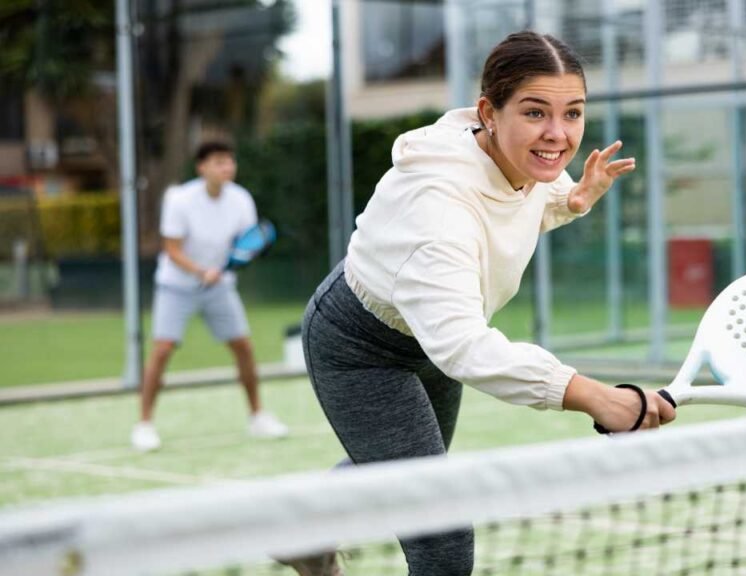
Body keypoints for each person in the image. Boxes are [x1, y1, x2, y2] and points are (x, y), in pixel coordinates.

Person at [294, 31, 676, 576]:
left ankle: (301, 532)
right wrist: (595, 397)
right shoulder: (438, 207)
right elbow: (464, 347)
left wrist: (573, 198)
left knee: (399, 468)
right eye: (535, 112)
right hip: (360, 348)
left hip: (429, 337)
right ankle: (303, 530)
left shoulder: (511, 158)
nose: (557, 134)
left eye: (573, 114)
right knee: (442, 531)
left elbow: (525, 195)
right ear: (488, 113)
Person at [130, 141, 289, 452]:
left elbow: (244, 244)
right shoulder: (181, 200)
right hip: (176, 285)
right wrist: (201, 271)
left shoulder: (241, 199)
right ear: (202, 167)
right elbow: (172, 250)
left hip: (219, 286)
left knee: (243, 346)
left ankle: (257, 416)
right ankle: (144, 425)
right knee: (162, 350)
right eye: (219, 162)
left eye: (230, 161)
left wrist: (225, 267)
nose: (227, 167)